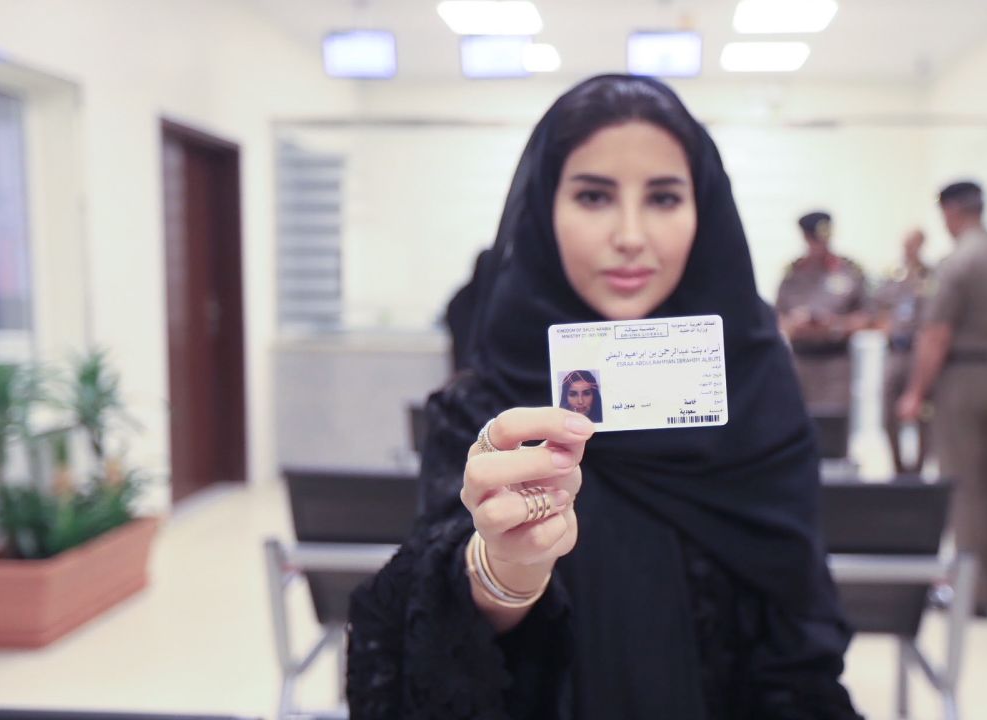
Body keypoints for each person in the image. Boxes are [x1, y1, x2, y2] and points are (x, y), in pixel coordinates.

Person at [346, 75, 863, 719]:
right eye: (593, 196)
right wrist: (504, 569)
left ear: (705, 210)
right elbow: (434, 636)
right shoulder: (489, 406)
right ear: (544, 207)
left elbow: (798, 616)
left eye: (665, 197)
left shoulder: (755, 384)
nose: (630, 235)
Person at [897, 181, 987, 618]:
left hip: (961, 377)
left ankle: (970, 591)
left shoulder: (956, 264)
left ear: (953, 210)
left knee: (962, 484)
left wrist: (916, 392)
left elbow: (937, 335)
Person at [776, 212, 868, 414]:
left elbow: (867, 318)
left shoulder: (849, 271)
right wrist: (796, 324)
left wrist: (835, 324)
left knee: (835, 430)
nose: (820, 245)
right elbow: (778, 318)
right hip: (801, 365)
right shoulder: (793, 274)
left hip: (836, 366)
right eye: (814, 240)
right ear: (805, 238)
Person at [873, 228, 932, 475]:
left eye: (914, 243)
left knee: (925, 412)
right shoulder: (892, 276)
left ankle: (919, 467)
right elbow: (877, 310)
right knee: (888, 408)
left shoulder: (932, 276)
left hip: (920, 352)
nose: (909, 248)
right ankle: (898, 465)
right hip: (895, 351)